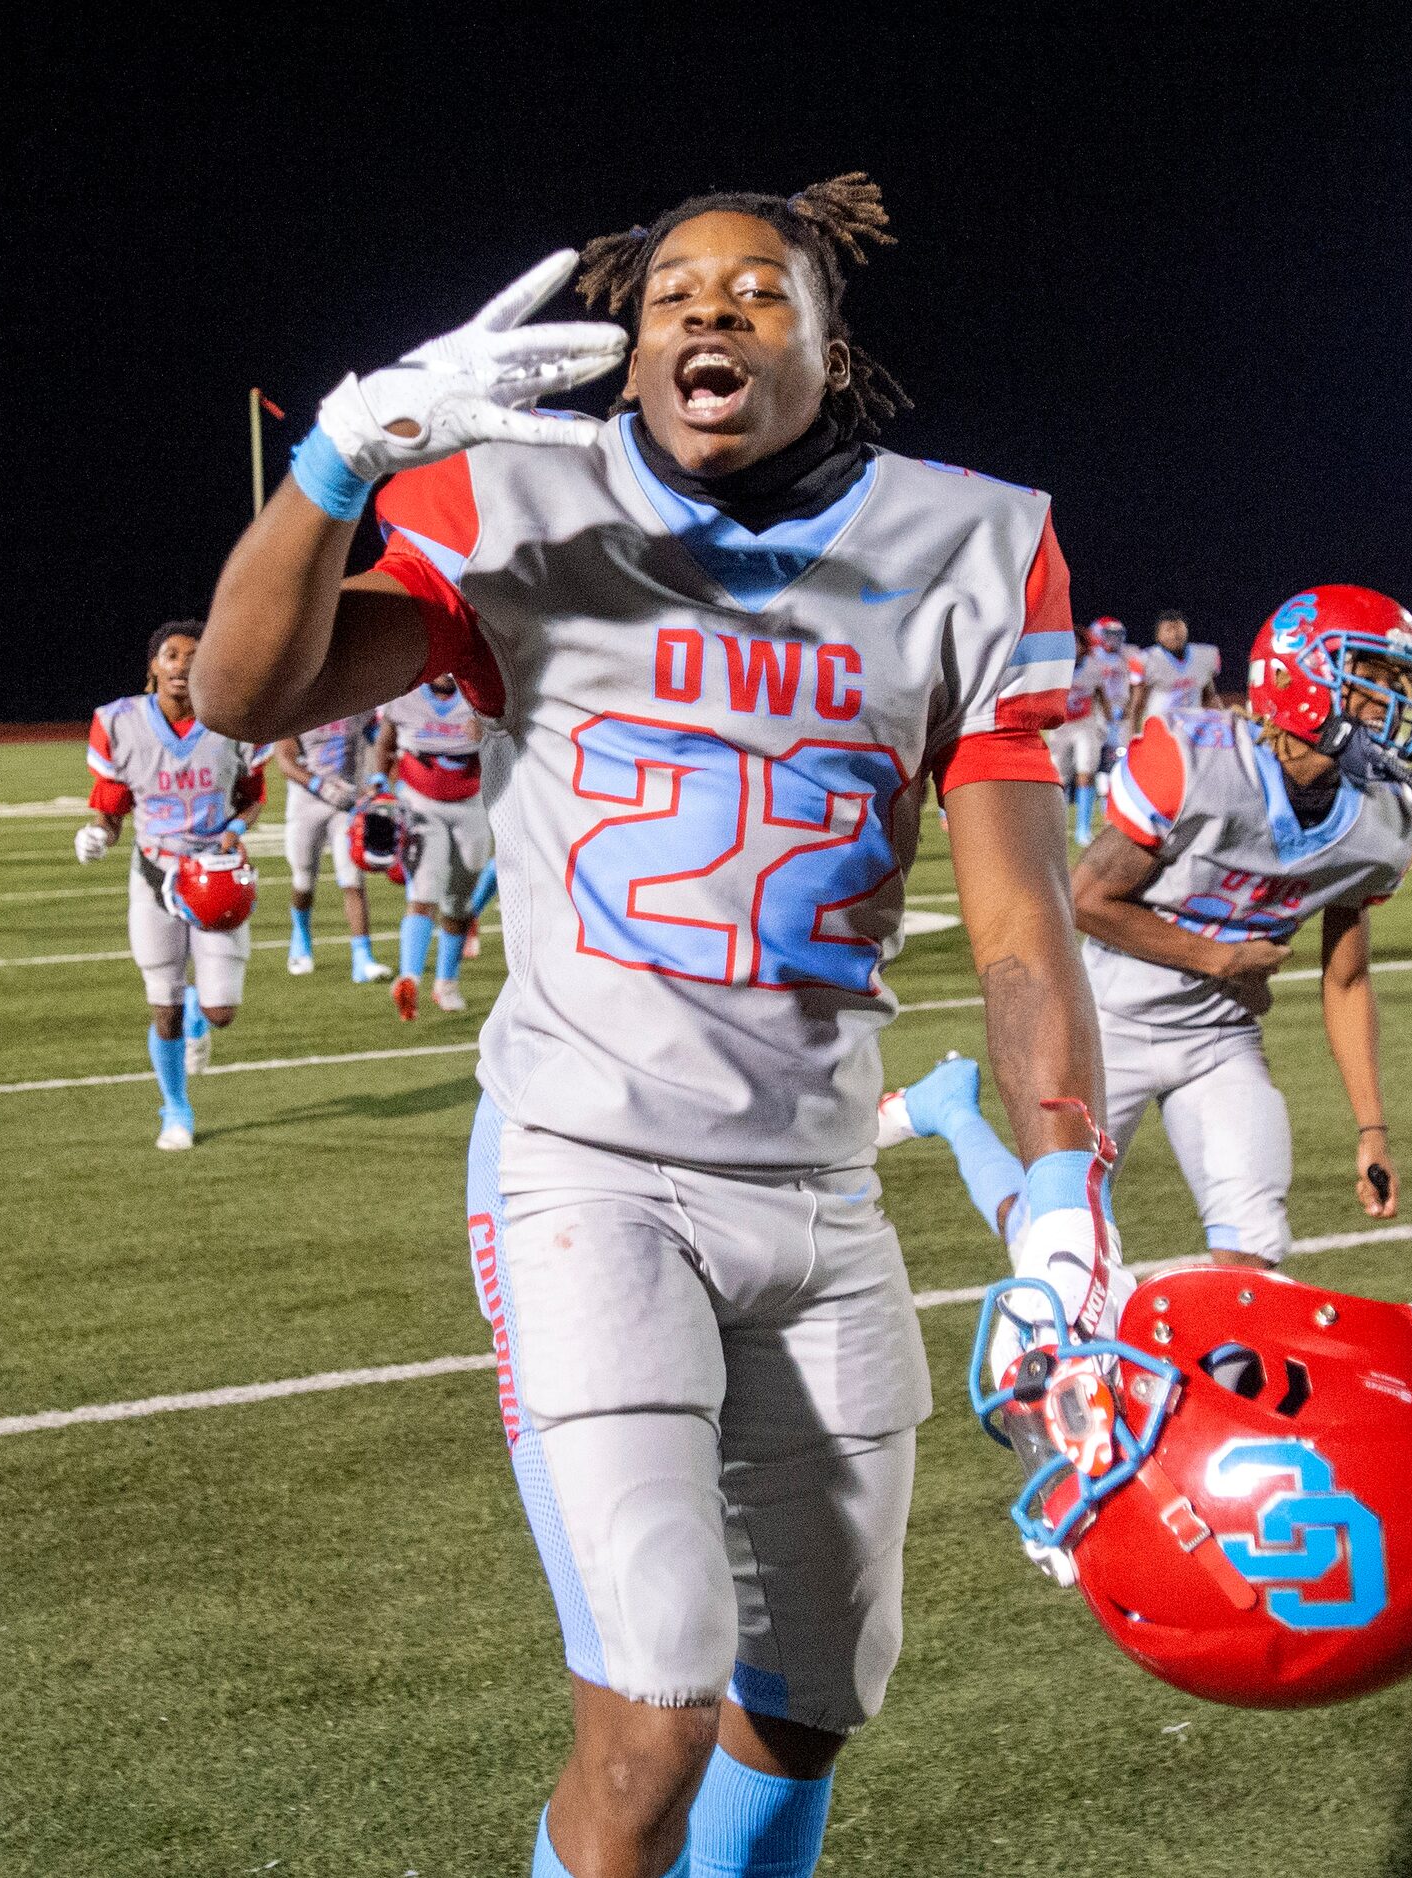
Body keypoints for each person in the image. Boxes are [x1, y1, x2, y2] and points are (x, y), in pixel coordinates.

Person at [191, 177, 1110, 1878]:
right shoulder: (522, 502)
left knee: (822, 1686)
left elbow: (1019, 916)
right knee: (656, 1698)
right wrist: (338, 463)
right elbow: (243, 698)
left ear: (833, 352)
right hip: (587, 1169)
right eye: (675, 291)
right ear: (631, 350)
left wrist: (1065, 1194)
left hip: (823, 1189)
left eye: (761, 293)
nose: (708, 312)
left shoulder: (970, 540)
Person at [886, 584, 1412, 1265]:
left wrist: (1371, 1128)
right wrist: (1216, 958)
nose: (1392, 704)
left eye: (1401, 684)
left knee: (1254, 1248)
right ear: (1299, 675)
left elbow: (1347, 980)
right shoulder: (1197, 760)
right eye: (1372, 682)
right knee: (1053, 1255)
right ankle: (954, 1112)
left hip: (1218, 1041)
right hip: (1104, 1026)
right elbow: (1082, 899)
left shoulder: (1381, 821)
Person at [74, 623, 265, 1151]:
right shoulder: (119, 722)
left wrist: (236, 829)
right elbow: (111, 808)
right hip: (156, 871)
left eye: (193, 656)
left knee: (220, 1012)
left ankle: (203, 1021)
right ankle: (176, 1107)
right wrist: (97, 834)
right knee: (164, 1004)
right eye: (171, 654)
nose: (182, 664)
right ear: (153, 665)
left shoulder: (235, 718)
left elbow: (252, 795)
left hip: (217, 873)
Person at [368, 675, 493, 1019]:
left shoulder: (479, 691)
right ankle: (409, 978)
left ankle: (447, 981)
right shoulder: (404, 694)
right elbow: (385, 744)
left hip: (471, 802)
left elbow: (510, 738)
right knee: (423, 892)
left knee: (459, 900)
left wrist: (489, 735)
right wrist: (379, 783)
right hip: (421, 803)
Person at [271, 709, 396, 983]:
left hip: (347, 802)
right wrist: (321, 786)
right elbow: (285, 759)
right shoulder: (299, 702)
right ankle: (301, 934)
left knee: (352, 879)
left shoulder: (356, 702)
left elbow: (383, 740)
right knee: (303, 880)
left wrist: (378, 779)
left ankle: (362, 957)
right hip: (307, 801)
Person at [1050, 615, 1133, 844]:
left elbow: (1102, 695)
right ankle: (1056, 827)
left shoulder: (1095, 666)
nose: (1074, 647)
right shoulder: (1057, 667)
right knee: (1058, 779)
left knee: (1086, 774)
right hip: (1061, 726)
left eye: (1078, 643)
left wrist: (1110, 722)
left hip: (1085, 724)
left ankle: (1083, 829)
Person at [1132, 607, 1219, 722]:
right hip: (1160, 727)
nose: (1174, 635)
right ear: (1158, 636)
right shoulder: (1147, 659)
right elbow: (1137, 704)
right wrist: (1133, 736)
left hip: (1192, 727)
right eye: (1168, 630)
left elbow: (1209, 697)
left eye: (1179, 629)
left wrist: (1221, 722)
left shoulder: (1203, 656)